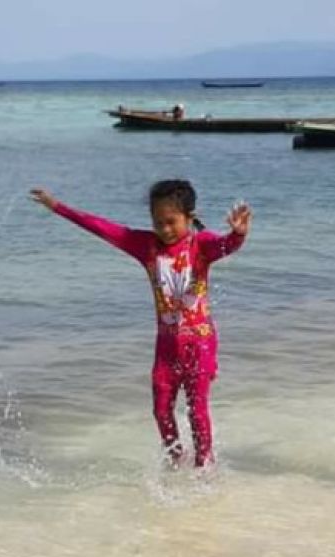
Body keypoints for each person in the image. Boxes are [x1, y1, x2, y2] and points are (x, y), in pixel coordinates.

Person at [30, 181, 252, 468]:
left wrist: (238, 234)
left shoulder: (201, 244)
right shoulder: (146, 246)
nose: (165, 229)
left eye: (171, 222)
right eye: (158, 222)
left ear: (189, 217)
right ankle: (174, 460)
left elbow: (225, 246)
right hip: (166, 348)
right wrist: (57, 207)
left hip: (200, 343)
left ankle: (204, 466)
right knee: (161, 410)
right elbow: (101, 227)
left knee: (197, 410)